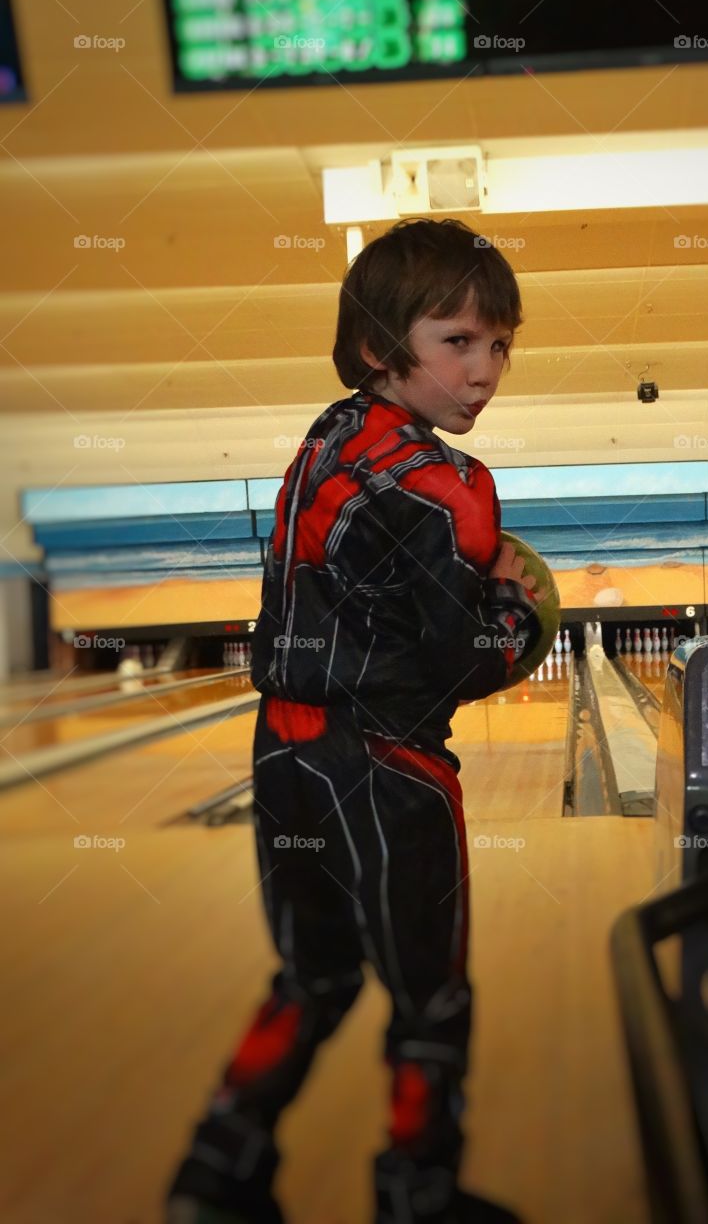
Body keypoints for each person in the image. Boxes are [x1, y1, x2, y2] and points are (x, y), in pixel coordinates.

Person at [166, 219, 543, 1224]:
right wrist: (522, 611)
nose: (486, 370)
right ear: (384, 345)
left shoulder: (324, 435)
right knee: (432, 997)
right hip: (390, 767)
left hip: (286, 751)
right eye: (458, 341)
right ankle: (418, 1193)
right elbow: (460, 661)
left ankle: (215, 1170)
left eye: (500, 343)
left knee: (314, 974)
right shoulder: (451, 487)